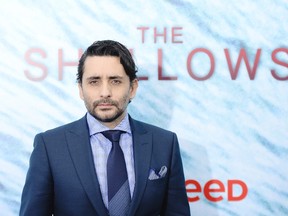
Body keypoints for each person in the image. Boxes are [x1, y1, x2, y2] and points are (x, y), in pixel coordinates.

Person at [20, 40, 190, 216]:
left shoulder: (165, 143)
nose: (105, 92)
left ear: (132, 88)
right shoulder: (50, 146)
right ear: (81, 89)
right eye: (94, 82)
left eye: (115, 81)